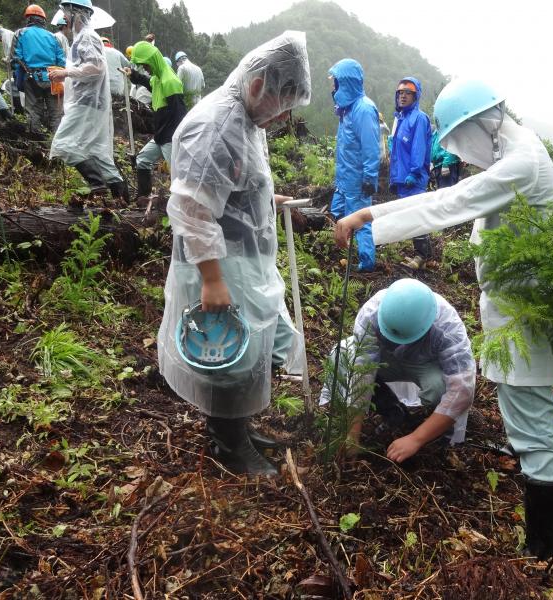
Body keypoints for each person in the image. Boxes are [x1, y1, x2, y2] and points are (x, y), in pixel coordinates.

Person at [334, 78, 553, 560]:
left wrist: (369, 215)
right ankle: (539, 536)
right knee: (526, 423)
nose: (465, 153)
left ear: (482, 124)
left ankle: (542, 553)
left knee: (535, 432)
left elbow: (449, 201)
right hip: (514, 317)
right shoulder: (517, 153)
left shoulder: (521, 162)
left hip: (526, 321)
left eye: (462, 141)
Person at [156, 31, 311, 475]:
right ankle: (229, 446)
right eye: (281, 102)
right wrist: (211, 279)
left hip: (243, 258)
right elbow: (191, 207)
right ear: (259, 84)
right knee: (228, 357)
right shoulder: (217, 124)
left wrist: (269, 199)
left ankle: (237, 429)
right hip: (218, 261)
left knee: (249, 349)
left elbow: (234, 182)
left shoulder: (245, 118)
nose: (281, 115)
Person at [324, 278, 476, 462]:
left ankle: (437, 433)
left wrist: (416, 439)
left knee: (440, 388)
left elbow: (462, 390)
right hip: (387, 359)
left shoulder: (446, 327)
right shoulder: (372, 313)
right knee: (342, 356)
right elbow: (362, 371)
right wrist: (352, 435)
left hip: (424, 364)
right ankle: (393, 411)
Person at [49, 0, 128, 204]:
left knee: (63, 144)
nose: (64, 16)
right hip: (89, 102)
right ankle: (123, 200)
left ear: (78, 13)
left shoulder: (87, 37)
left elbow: (96, 68)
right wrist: (65, 80)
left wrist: (65, 73)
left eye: (67, 12)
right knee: (97, 152)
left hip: (87, 103)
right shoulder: (81, 38)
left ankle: (97, 185)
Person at [328, 58, 380, 272]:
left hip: (358, 180)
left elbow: (370, 147)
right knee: (337, 212)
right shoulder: (346, 109)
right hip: (345, 178)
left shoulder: (364, 109)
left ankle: (367, 262)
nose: (333, 87)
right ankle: (344, 248)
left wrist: (369, 178)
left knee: (361, 221)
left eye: (336, 82)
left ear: (346, 83)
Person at [124, 41, 187, 202]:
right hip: (160, 135)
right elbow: (147, 82)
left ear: (152, 61)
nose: (145, 68)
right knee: (142, 160)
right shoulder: (158, 78)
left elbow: (180, 114)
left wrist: (175, 138)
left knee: (178, 174)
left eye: (145, 65)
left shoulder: (170, 80)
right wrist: (133, 74)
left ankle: (181, 207)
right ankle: (142, 197)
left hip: (170, 137)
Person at [389, 77, 432, 270]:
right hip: (403, 178)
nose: (403, 96)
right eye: (400, 93)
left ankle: (423, 256)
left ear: (416, 96)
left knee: (417, 215)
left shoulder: (419, 118)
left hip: (413, 178)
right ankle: (419, 254)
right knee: (411, 216)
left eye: (407, 93)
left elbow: (418, 148)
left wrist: (415, 172)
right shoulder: (401, 119)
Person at [11, 5, 66, 133]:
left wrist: (18, 76)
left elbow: (16, 58)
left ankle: (35, 142)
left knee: (33, 112)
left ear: (29, 19)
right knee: (56, 114)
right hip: (53, 77)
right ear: (43, 20)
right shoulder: (53, 37)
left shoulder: (20, 33)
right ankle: (57, 143)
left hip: (31, 77)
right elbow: (61, 60)